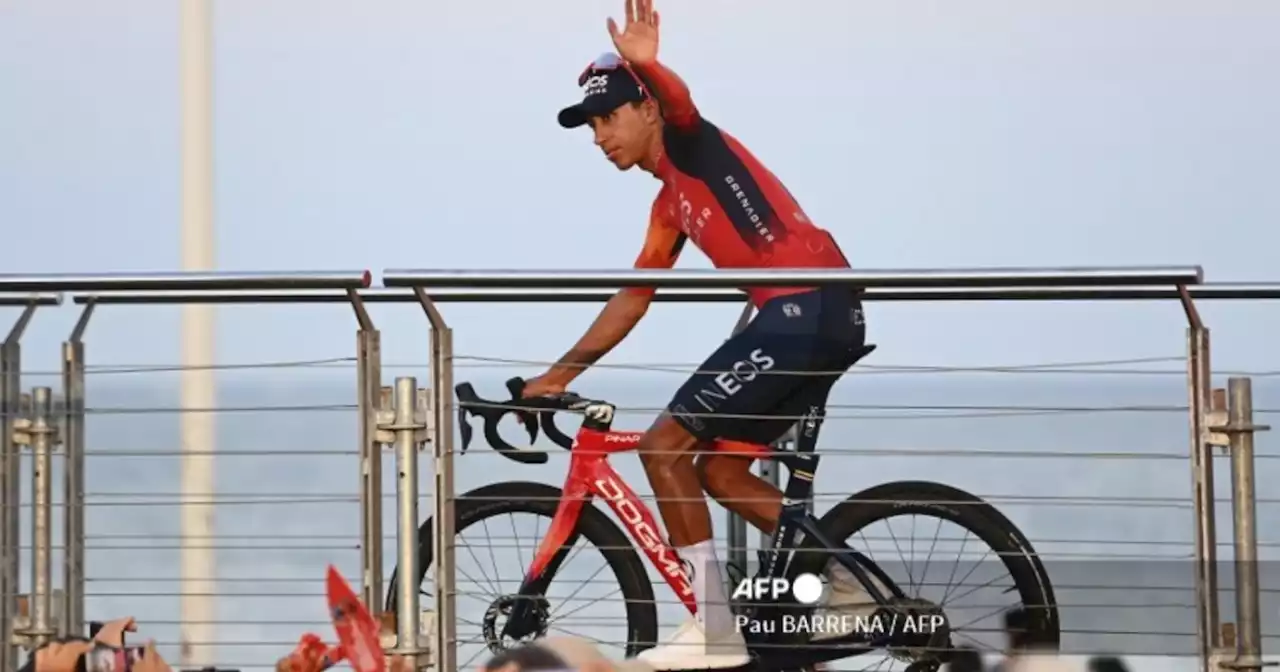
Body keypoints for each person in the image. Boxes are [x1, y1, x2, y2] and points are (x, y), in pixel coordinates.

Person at [522, 0, 876, 667]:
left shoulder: (689, 142)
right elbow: (634, 298)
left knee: (663, 447)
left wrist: (653, 66)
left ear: (648, 109)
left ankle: (716, 630)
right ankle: (851, 586)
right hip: (812, 312)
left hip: (803, 308)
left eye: (609, 117)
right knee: (716, 469)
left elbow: (682, 103)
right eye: (592, 125)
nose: (600, 135)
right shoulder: (668, 202)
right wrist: (560, 375)